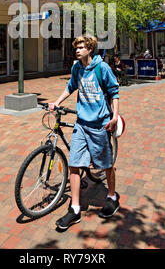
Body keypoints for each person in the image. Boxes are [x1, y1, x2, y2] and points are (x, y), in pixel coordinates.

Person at [49, 35, 120, 230]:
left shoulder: (101, 67)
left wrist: (114, 117)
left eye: (81, 47)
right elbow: (71, 86)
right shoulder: (76, 68)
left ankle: (112, 196)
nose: (77, 50)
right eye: (76, 47)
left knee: (106, 164)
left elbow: (114, 92)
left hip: (99, 124)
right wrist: (56, 102)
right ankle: (75, 209)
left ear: (90, 49)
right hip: (81, 123)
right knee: (74, 164)